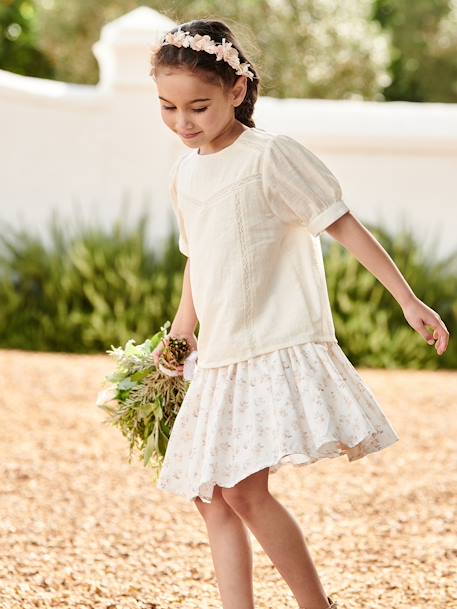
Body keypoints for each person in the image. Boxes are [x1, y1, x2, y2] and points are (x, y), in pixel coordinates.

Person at [148, 19, 449, 609]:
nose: (183, 123)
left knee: (240, 488)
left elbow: (342, 223)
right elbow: (198, 258)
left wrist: (407, 298)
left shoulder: (271, 156)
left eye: (199, 107)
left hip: (268, 342)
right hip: (219, 352)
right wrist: (183, 331)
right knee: (210, 492)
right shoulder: (185, 173)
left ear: (238, 90)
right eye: (168, 108)